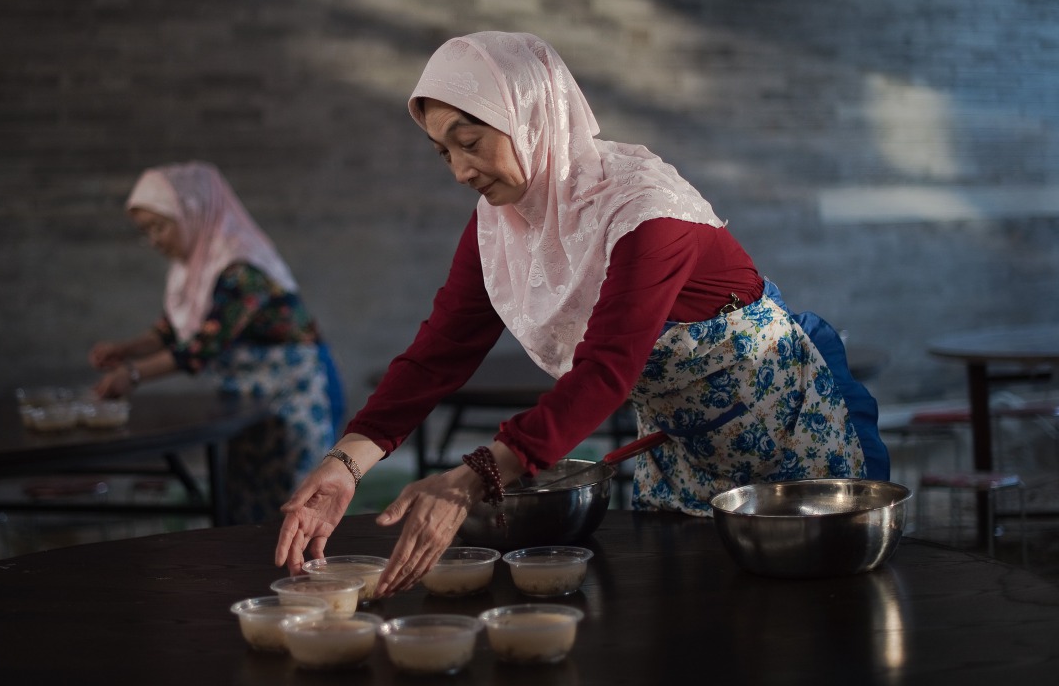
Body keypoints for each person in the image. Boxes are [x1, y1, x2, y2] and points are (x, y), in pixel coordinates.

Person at [275, 31, 888, 596]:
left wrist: (468, 480)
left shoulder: (646, 210)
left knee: (808, 619)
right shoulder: (504, 222)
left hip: (784, 431)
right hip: (682, 447)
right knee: (701, 619)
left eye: (471, 141)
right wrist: (344, 465)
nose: (461, 171)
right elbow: (441, 350)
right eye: (443, 153)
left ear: (530, 114)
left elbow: (606, 372)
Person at [89, 160, 345, 524]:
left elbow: (203, 345)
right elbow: (174, 329)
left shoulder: (241, 267)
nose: (154, 241)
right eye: (146, 232)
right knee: (250, 509)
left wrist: (132, 373)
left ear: (193, 212)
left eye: (159, 227)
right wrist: (128, 349)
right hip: (249, 404)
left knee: (297, 506)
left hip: (297, 401)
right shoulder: (198, 266)